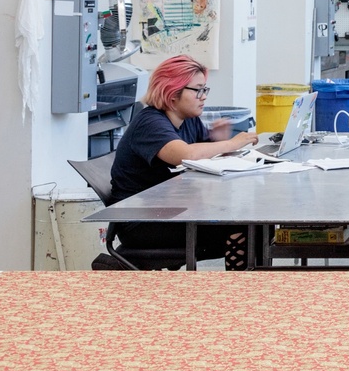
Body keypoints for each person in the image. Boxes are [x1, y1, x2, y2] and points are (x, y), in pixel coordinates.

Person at [106, 54, 258, 269]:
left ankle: (252, 287)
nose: (203, 96)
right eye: (198, 90)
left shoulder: (189, 120)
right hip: (142, 223)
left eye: (205, 90)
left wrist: (219, 142)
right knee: (247, 228)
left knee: (256, 225)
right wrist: (232, 143)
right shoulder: (149, 122)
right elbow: (186, 154)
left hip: (172, 211)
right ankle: (239, 291)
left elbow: (205, 154)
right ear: (172, 92)